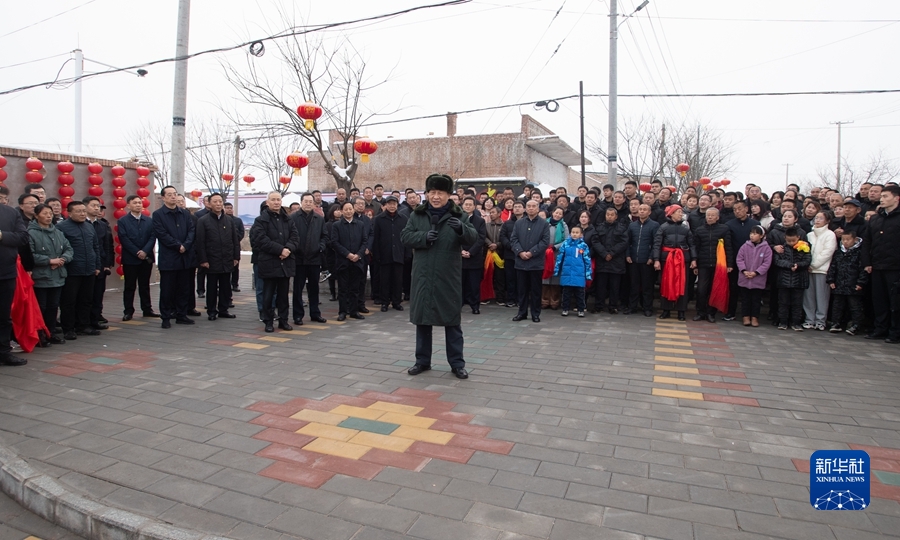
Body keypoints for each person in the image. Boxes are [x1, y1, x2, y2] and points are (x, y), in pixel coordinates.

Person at [401, 173, 477, 379]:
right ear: (426, 194)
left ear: (448, 195)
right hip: (423, 276)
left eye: (440, 193)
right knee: (423, 320)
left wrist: (462, 229)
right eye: (432, 192)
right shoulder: (417, 215)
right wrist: (423, 237)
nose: (436, 197)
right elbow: (405, 236)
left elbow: (473, 237)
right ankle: (422, 361)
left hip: (448, 276)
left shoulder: (459, 215)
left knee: (452, 322)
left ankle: (457, 364)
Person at [250, 192, 299, 333]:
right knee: (268, 294)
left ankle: (283, 320)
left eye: (278, 200)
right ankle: (268, 321)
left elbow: (295, 237)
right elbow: (261, 240)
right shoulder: (260, 220)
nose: (276, 202)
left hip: (286, 262)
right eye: (273, 200)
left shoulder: (288, 219)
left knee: (284, 294)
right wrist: (280, 250)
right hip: (269, 261)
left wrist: (288, 249)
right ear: (268, 202)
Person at [56, 201, 102, 339]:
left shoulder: (89, 227)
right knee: (69, 301)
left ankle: (83, 325)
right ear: (69, 213)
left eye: (83, 211)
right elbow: (60, 249)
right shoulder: (61, 227)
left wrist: (97, 265)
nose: (82, 214)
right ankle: (68, 328)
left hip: (89, 269)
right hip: (72, 270)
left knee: (86, 299)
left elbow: (96, 247)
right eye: (78, 211)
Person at [153, 186, 197, 328]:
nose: (173, 197)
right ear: (163, 197)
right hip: (169, 258)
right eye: (170, 194)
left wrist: (186, 245)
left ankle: (181, 314)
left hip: (185, 258)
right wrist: (178, 246)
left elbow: (191, 230)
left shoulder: (184, 214)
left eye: (175, 194)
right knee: (167, 290)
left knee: (184, 288)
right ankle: (166, 316)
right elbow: (162, 234)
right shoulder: (158, 215)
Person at [28, 204, 72, 346]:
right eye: (45, 213)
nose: (48, 216)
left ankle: (51, 332)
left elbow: (69, 249)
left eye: (50, 213)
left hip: (58, 275)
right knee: (41, 307)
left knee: (53, 306)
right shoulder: (30, 233)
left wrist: (62, 260)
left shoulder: (57, 232)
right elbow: (29, 255)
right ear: (36, 215)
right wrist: (48, 261)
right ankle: (40, 334)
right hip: (41, 277)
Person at [863, 184, 900, 343]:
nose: (882, 199)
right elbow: (867, 242)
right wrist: (867, 262)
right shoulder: (876, 219)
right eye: (882, 196)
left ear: (896, 198)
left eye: (886, 196)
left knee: (896, 301)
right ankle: (880, 329)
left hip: (895, 267)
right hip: (877, 265)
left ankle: (895, 332)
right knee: (879, 300)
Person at [195, 193, 241, 321]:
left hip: (227, 259)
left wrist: (236, 257)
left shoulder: (229, 220)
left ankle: (223, 309)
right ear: (209, 204)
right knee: (212, 287)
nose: (218, 204)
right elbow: (200, 242)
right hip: (211, 260)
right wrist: (203, 260)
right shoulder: (203, 221)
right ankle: (211, 310)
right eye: (215, 202)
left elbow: (234, 240)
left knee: (226, 286)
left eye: (220, 201)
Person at [118, 195, 159, 320]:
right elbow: (124, 239)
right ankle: (128, 311)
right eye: (135, 203)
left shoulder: (149, 220)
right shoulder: (123, 221)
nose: (138, 205)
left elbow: (153, 237)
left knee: (145, 285)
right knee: (130, 286)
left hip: (146, 258)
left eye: (140, 202)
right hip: (131, 259)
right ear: (128, 205)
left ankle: (147, 309)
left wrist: (145, 251)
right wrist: (137, 252)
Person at [290, 193, 328, 326]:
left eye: (310, 201)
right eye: (305, 201)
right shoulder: (293, 218)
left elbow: (324, 236)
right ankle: (298, 315)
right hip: (299, 259)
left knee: (314, 288)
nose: (308, 203)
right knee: (298, 288)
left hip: (314, 258)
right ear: (301, 202)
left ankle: (315, 313)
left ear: (313, 203)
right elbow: (290, 237)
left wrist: (321, 247)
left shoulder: (319, 218)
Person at [652, 205, 696, 321]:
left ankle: (681, 311)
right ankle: (666, 309)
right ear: (671, 214)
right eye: (678, 212)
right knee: (666, 284)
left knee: (682, 285)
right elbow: (657, 244)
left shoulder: (686, 228)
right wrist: (656, 260)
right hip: (667, 259)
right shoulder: (663, 227)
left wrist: (694, 259)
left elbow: (692, 245)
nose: (681, 214)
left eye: (681, 212)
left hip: (682, 260)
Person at [511, 200, 551, 323]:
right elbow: (513, 239)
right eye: (528, 206)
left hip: (535, 262)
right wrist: (520, 252)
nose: (531, 208)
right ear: (525, 209)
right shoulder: (519, 223)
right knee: (522, 290)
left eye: (534, 206)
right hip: (521, 262)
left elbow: (545, 242)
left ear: (538, 208)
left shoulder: (544, 224)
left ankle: (535, 313)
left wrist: (531, 252)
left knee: (536, 290)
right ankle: (522, 312)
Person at [692, 208, 733, 323]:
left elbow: (728, 247)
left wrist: (729, 264)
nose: (709, 217)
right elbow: (696, 247)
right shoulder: (700, 230)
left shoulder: (724, 229)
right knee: (701, 289)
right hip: (703, 263)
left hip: (718, 264)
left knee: (714, 289)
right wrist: (695, 263)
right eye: (708, 215)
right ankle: (700, 312)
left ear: (717, 217)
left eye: (712, 215)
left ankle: (711, 313)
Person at [722, 200, 760, 321]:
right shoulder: (729, 224)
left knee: (750, 290)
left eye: (739, 208)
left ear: (746, 209)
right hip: (734, 261)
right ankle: (731, 312)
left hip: (753, 262)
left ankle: (750, 315)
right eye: (734, 209)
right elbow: (727, 245)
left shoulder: (755, 224)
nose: (737, 211)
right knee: (733, 288)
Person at [331, 201, 368, 322]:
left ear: (353, 210)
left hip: (357, 262)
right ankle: (342, 311)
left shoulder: (360, 224)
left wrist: (358, 254)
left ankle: (354, 311)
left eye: (350, 209)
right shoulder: (337, 225)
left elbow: (364, 241)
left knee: (355, 288)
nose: (348, 211)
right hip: (343, 262)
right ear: (342, 211)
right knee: (342, 289)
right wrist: (348, 254)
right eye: (345, 209)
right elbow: (335, 243)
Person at [826, 230, 868, 335]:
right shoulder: (839, 252)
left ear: (854, 240)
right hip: (839, 283)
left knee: (855, 306)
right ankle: (836, 323)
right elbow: (833, 267)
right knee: (837, 305)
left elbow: (863, 269)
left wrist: (861, 283)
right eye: (843, 239)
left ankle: (856, 325)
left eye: (848, 239)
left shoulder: (859, 253)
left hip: (853, 284)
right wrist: (831, 279)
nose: (845, 242)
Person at [372, 195, 407, 312]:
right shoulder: (378, 219)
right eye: (390, 204)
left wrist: (406, 254)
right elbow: (375, 238)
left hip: (398, 254)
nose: (392, 206)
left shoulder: (403, 219)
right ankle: (385, 302)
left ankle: (396, 302)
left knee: (398, 280)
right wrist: (376, 255)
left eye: (394, 204)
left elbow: (406, 238)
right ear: (385, 205)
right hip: (384, 255)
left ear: (397, 205)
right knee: (384, 281)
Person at [802, 211, 837, 330]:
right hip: (808, 269)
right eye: (816, 218)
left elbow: (827, 252)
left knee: (822, 296)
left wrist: (814, 265)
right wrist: (807, 264)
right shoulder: (810, 235)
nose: (817, 220)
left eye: (821, 218)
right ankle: (809, 319)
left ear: (827, 221)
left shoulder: (830, 234)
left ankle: (821, 320)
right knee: (808, 296)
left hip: (822, 270)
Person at [774, 227, 812, 331]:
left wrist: (798, 265)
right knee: (783, 302)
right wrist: (790, 265)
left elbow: (807, 260)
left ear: (798, 237)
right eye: (788, 240)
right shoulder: (781, 249)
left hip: (799, 280)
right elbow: (777, 261)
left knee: (797, 303)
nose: (791, 243)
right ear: (785, 238)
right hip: (784, 280)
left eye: (793, 240)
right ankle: (783, 322)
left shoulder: (804, 247)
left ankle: (796, 322)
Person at [84, 196, 113, 328]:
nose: (97, 208)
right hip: (85, 265)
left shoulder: (102, 225)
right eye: (93, 205)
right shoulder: (81, 224)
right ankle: (83, 322)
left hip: (100, 264)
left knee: (98, 294)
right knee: (86, 296)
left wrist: (107, 263)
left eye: (98, 206)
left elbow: (107, 245)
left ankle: (95, 320)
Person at [592, 207, 627, 313]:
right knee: (600, 286)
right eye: (608, 215)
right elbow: (595, 241)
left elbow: (624, 242)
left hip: (616, 261)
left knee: (614, 286)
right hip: (602, 260)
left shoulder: (622, 228)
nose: (610, 217)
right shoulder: (599, 227)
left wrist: (612, 253)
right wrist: (604, 253)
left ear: (616, 216)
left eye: (612, 215)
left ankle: (613, 306)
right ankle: (599, 305)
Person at [735, 225, 771, 327]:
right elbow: (739, 259)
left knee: (756, 300)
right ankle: (745, 316)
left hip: (758, 278)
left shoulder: (766, 248)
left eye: (755, 234)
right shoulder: (745, 246)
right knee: (745, 299)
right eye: (751, 233)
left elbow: (766, 263)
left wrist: (756, 272)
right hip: (745, 277)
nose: (752, 236)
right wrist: (744, 270)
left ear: (761, 235)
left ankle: (755, 317)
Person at [626, 204, 659, 317]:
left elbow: (656, 243)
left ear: (649, 212)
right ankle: (632, 307)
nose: (642, 211)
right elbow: (628, 242)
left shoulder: (654, 225)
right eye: (640, 209)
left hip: (646, 260)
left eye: (645, 210)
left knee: (647, 286)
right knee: (633, 285)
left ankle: (647, 308)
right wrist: (628, 254)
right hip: (633, 259)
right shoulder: (632, 225)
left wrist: (651, 257)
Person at [555, 225, 592, 317]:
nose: (574, 234)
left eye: (577, 233)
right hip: (567, 272)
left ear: (581, 234)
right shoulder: (565, 244)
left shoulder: (583, 245)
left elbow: (587, 260)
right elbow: (560, 257)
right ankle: (565, 308)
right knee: (566, 293)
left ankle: (581, 309)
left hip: (579, 273)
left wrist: (588, 273)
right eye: (573, 232)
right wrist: (556, 269)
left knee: (580, 293)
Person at [459, 196, 487, 314]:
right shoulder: (457, 219)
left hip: (474, 257)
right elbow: (453, 237)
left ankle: (475, 306)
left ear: (475, 206)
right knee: (459, 284)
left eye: (470, 204)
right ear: (462, 205)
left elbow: (481, 239)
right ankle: (457, 306)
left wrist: (470, 252)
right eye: (466, 204)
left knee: (474, 284)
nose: (468, 206)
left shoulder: (480, 221)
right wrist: (460, 250)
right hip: (459, 257)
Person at [541, 207, 568, 310]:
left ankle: (554, 301)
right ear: (552, 213)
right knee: (545, 276)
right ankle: (544, 300)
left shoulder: (563, 225)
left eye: (560, 214)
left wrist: (555, 247)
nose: (557, 215)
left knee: (555, 277)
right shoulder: (545, 223)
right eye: (556, 213)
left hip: (557, 253)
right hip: (545, 252)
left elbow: (566, 240)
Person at [499, 200, 524, 307]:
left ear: (524, 209)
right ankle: (511, 299)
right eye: (515, 207)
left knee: (521, 279)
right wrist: (511, 246)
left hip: (523, 255)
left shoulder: (528, 222)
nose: (517, 208)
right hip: (510, 254)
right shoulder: (507, 223)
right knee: (510, 278)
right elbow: (502, 237)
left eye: (519, 206)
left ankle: (521, 300)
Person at [224, 202, 245, 292]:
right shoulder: (223, 220)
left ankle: (235, 284)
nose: (229, 209)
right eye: (227, 208)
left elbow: (241, 232)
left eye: (230, 208)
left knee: (235, 266)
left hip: (235, 246)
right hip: (224, 247)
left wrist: (235, 240)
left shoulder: (237, 220)